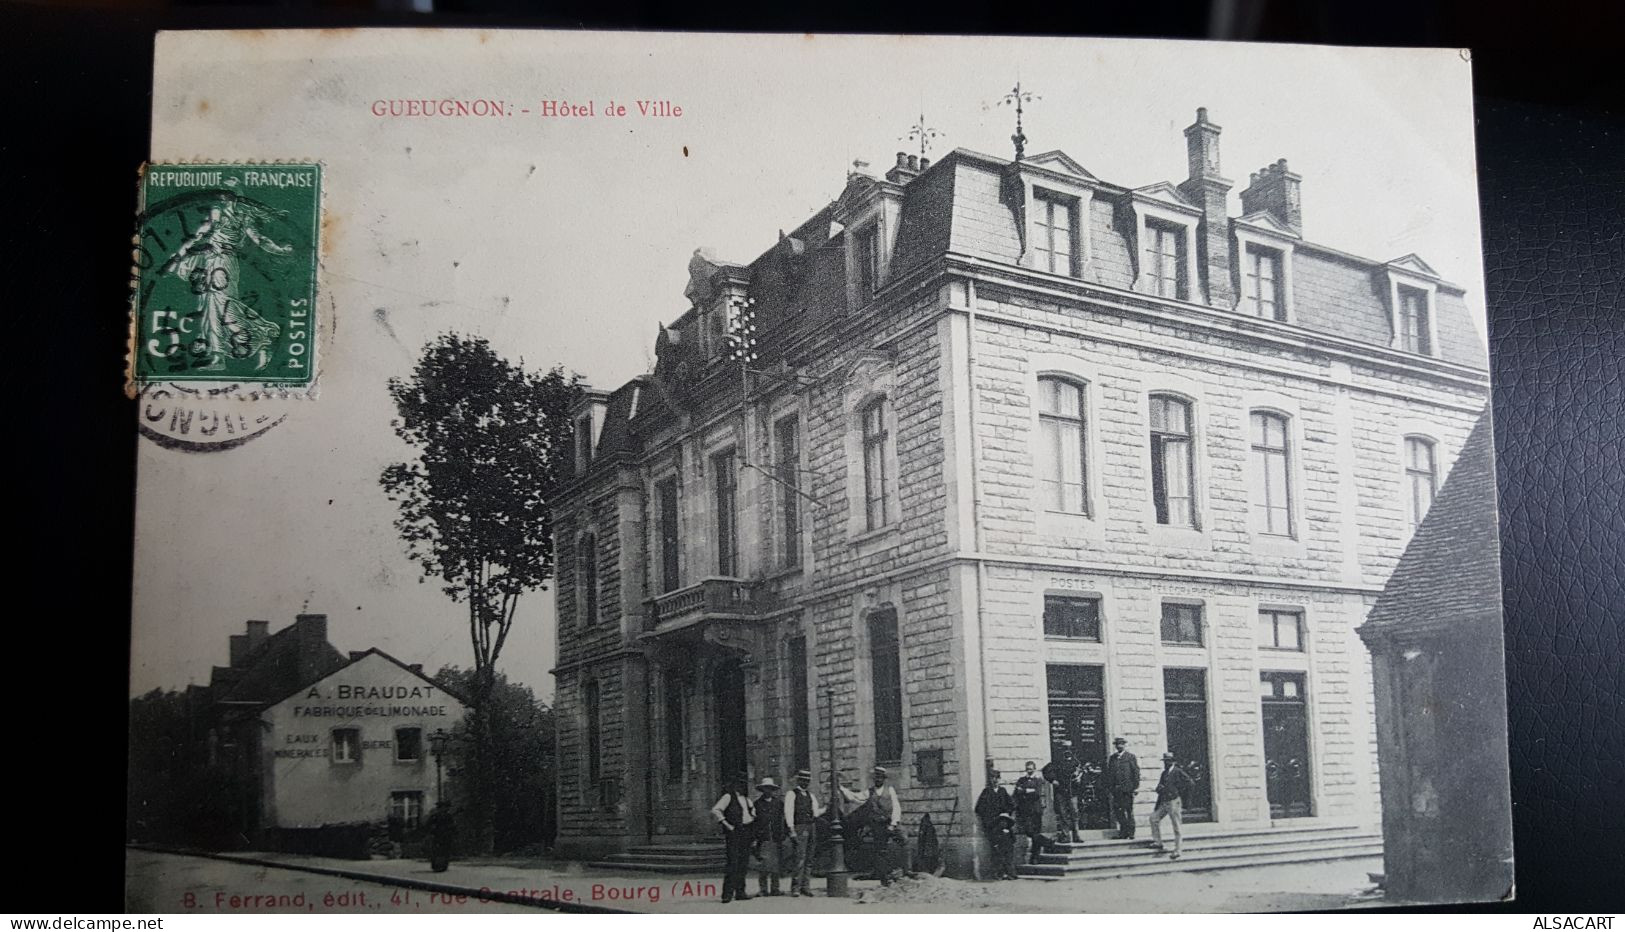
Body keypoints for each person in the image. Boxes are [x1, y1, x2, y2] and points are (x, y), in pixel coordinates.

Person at [839, 766, 903, 886]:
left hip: (890, 823)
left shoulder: (890, 790)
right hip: (877, 825)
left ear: (884, 779)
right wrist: (842, 789)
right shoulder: (870, 792)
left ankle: (905, 871)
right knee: (880, 851)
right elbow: (855, 797)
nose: (878, 780)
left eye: (880, 778)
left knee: (904, 842)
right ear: (874, 779)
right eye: (876, 778)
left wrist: (893, 824)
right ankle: (885, 878)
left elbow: (896, 808)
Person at [710, 773, 757, 903]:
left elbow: (752, 812)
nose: (742, 786)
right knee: (733, 863)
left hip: (746, 832)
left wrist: (752, 817)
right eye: (740, 783)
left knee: (743, 863)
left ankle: (740, 892)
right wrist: (727, 824)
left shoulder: (747, 799)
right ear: (735, 784)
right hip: (734, 833)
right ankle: (727, 894)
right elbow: (716, 810)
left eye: (743, 783)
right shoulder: (728, 797)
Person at [1150, 752, 1196, 861]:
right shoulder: (1164, 773)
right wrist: (1159, 789)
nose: (1167, 762)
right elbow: (1160, 786)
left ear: (1173, 761)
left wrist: (1179, 792)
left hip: (1174, 801)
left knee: (1176, 826)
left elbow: (1190, 783)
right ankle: (1158, 842)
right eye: (1165, 761)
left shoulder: (1178, 772)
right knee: (1153, 818)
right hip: (1164, 802)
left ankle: (1178, 849)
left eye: (1169, 760)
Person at [786, 770, 825, 896]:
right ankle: (795, 887)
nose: (805, 783)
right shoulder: (792, 794)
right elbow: (789, 812)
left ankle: (806, 886)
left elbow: (816, 813)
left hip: (811, 826)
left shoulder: (811, 796)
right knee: (800, 858)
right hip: (799, 827)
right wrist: (791, 830)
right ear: (799, 781)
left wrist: (827, 807)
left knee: (809, 858)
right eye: (803, 780)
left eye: (807, 781)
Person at [752, 777, 789, 896]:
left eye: (770, 788)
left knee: (776, 864)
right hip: (763, 837)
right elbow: (754, 821)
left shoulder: (779, 803)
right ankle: (763, 889)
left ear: (773, 790)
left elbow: (784, 819)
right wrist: (754, 836)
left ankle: (775, 888)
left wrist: (785, 833)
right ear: (762, 790)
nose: (767, 791)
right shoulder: (757, 804)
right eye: (765, 788)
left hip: (776, 836)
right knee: (764, 863)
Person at [1042, 748, 1084, 844]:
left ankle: (1076, 835)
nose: (1068, 752)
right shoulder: (1057, 762)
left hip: (1072, 792)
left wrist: (1079, 778)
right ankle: (1065, 836)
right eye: (1066, 750)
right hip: (1061, 791)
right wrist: (1052, 780)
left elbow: (1082, 773)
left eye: (1069, 750)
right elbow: (1045, 770)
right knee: (1062, 813)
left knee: (1075, 814)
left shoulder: (1076, 762)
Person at [1102, 737, 1141, 840]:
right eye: (1117, 744)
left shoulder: (1130, 757)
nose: (1119, 746)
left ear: (1124, 745)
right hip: (1116, 790)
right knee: (1119, 811)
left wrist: (1135, 787)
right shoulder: (1113, 758)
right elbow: (1109, 774)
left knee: (1128, 810)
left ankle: (1131, 832)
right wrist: (1110, 788)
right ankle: (1123, 832)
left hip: (1127, 789)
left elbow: (1135, 773)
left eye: (1121, 744)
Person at [1013, 760, 1047, 864]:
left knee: (1036, 832)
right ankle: (1048, 842)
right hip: (1025, 811)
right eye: (1028, 769)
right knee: (1030, 832)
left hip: (1036, 811)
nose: (1029, 771)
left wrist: (1023, 791)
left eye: (1031, 769)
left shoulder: (1038, 780)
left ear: (1034, 769)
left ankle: (1034, 857)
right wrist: (1027, 791)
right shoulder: (1021, 780)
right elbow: (1016, 793)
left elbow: (1036, 793)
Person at [990, 812, 1019, 880]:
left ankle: (1011, 874)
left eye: (1005, 822)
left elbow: (1014, 839)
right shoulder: (996, 830)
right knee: (1000, 861)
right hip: (1000, 847)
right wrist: (995, 845)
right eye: (1001, 821)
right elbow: (993, 838)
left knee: (1009, 861)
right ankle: (999, 875)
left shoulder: (1010, 830)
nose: (1003, 823)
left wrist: (1010, 843)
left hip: (1009, 848)